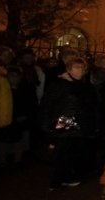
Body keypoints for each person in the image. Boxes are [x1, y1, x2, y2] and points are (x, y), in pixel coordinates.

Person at [40, 57, 99, 189]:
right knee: (62, 152)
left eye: (82, 68)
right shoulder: (59, 84)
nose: (80, 71)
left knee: (73, 151)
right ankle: (57, 181)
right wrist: (48, 123)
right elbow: (48, 104)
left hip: (79, 123)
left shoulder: (84, 85)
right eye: (76, 68)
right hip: (64, 122)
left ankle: (67, 176)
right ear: (69, 69)